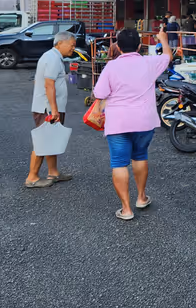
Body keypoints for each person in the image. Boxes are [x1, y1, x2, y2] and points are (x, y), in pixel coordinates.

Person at [93, 28, 171, 220]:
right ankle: (141, 197)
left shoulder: (111, 67)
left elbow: (100, 94)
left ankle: (126, 209)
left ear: (118, 47)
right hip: (144, 121)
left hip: (118, 121)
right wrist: (163, 39)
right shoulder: (149, 63)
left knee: (119, 163)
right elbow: (168, 56)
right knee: (140, 156)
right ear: (139, 45)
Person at [25, 31, 77, 188]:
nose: (73, 49)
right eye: (72, 45)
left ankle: (53, 172)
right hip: (47, 109)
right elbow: (49, 84)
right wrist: (53, 109)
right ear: (60, 43)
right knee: (43, 140)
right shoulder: (52, 58)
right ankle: (32, 177)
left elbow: (38, 82)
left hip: (49, 107)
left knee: (52, 138)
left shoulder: (52, 57)